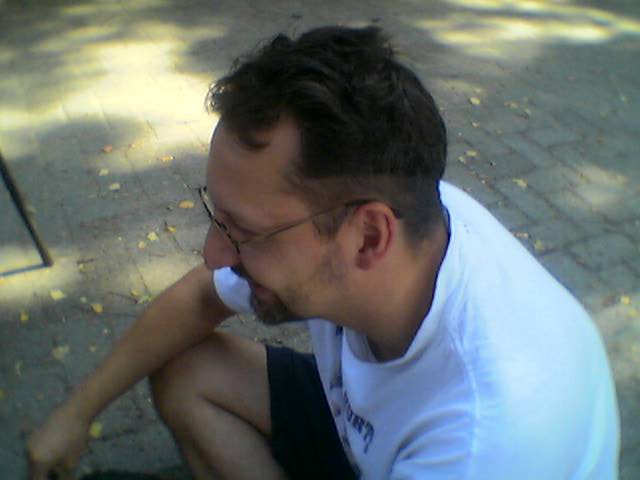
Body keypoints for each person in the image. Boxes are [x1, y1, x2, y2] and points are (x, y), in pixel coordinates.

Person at [27, 26, 619, 480]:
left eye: (242, 231)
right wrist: (75, 414)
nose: (212, 254)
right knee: (185, 368)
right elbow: (201, 298)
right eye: (218, 219)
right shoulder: (408, 220)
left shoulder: (481, 445)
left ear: (368, 237)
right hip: (366, 428)